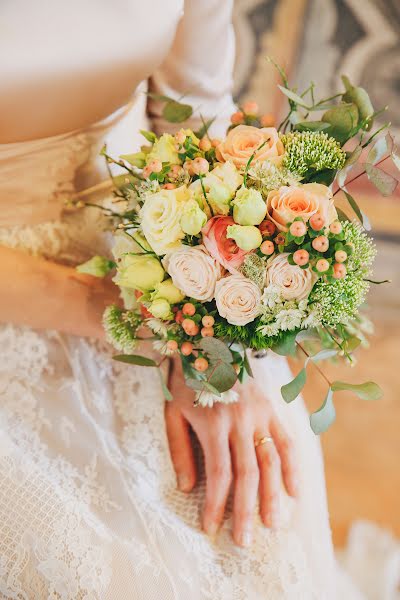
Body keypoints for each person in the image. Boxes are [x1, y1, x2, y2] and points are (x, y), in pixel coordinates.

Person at [0, 1, 365, 598]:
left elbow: (194, 119)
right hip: (38, 297)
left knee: (260, 507)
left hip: (137, 247)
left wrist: (217, 326)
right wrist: (143, 322)